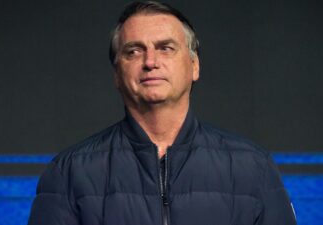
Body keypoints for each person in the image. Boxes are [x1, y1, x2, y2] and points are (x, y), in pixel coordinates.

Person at [28, 1, 297, 225]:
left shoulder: (253, 168)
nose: (150, 62)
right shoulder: (69, 173)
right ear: (117, 75)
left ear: (194, 66)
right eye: (133, 51)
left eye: (165, 48)